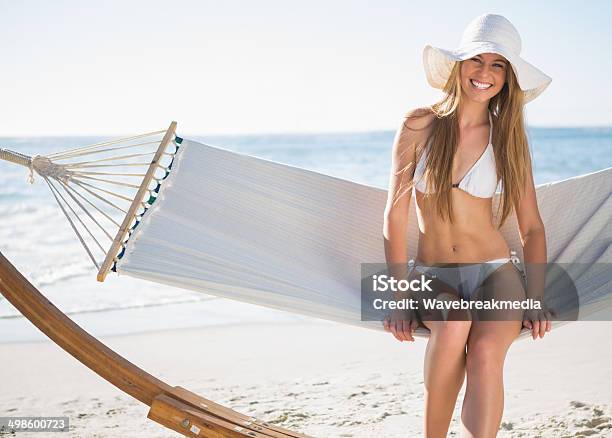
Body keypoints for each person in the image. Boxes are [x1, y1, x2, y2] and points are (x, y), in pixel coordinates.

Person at [382, 14, 554, 438]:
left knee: (484, 356)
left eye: (498, 65)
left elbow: (532, 228)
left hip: (497, 272)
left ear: (507, 78)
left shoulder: (507, 138)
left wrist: (535, 297)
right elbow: (394, 216)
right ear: (459, 65)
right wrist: (399, 296)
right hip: (433, 274)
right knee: (454, 322)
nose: (485, 73)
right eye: (477, 60)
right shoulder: (420, 126)